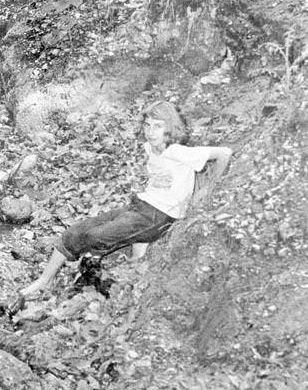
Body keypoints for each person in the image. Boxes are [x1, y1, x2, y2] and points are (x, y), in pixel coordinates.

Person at [21, 101, 233, 297]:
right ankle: (44, 281)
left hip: (159, 216)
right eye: (148, 125)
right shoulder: (150, 148)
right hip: (139, 206)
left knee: (96, 236)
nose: (150, 132)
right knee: (74, 232)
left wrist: (209, 190)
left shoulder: (178, 152)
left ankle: (95, 270)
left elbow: (224, 153)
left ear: (170, 128)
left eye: (157, 126)